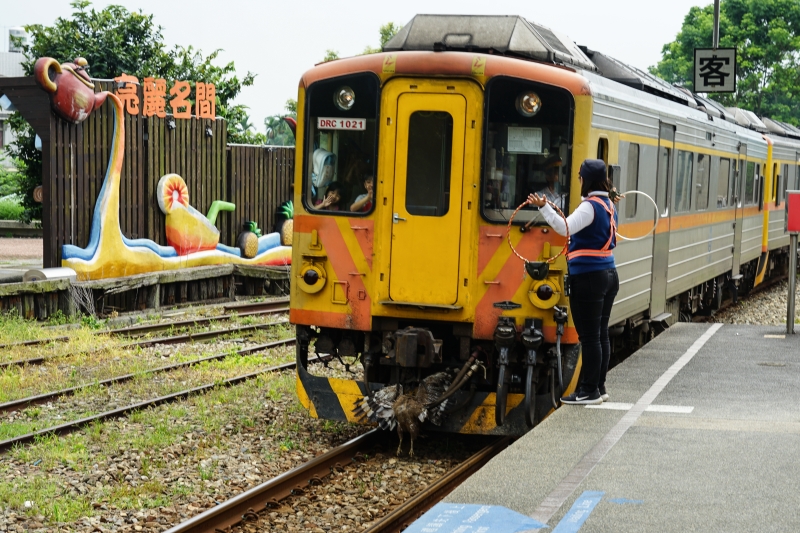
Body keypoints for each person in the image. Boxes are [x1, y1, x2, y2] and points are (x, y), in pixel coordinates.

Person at [527, 159, 619, 406]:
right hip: (608, 275)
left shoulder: (590, 206)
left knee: (589, 337)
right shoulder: (608, 204)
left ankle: (589, 391)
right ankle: (598, 387)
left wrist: (544, 207)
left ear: (585, 180)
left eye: (579, 177)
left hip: (589, 277)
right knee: (600, 335)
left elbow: (564, 227)